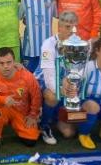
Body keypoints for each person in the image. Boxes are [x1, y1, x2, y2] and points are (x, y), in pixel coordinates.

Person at [34, 11, 81, 146]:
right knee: (53, 96)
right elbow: (48, 77)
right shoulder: (48, 44)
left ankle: (52, 116)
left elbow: (76, 70)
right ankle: (44, 126)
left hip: (63, 83)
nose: (71, 31)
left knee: (69, 133)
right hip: (43, 82)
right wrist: (62, 89)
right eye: (67, 27)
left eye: (73, 27)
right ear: (59, 27)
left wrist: (73, 86)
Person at [0, 47, 41, 150]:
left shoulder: (27, 76)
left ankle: (19, 126)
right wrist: (3, 100)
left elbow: (36, 95)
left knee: (31, 140)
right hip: (2, 109)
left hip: (21, 111)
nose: (6, 66)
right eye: (1, 63)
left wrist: (33, 115)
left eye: (9, 62)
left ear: (14, 62)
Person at [19, 0, 56, 73]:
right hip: (30, 49)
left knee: (45, 78)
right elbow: (19, 16)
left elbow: (57, 15)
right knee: (29, 78)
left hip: (47, 49)